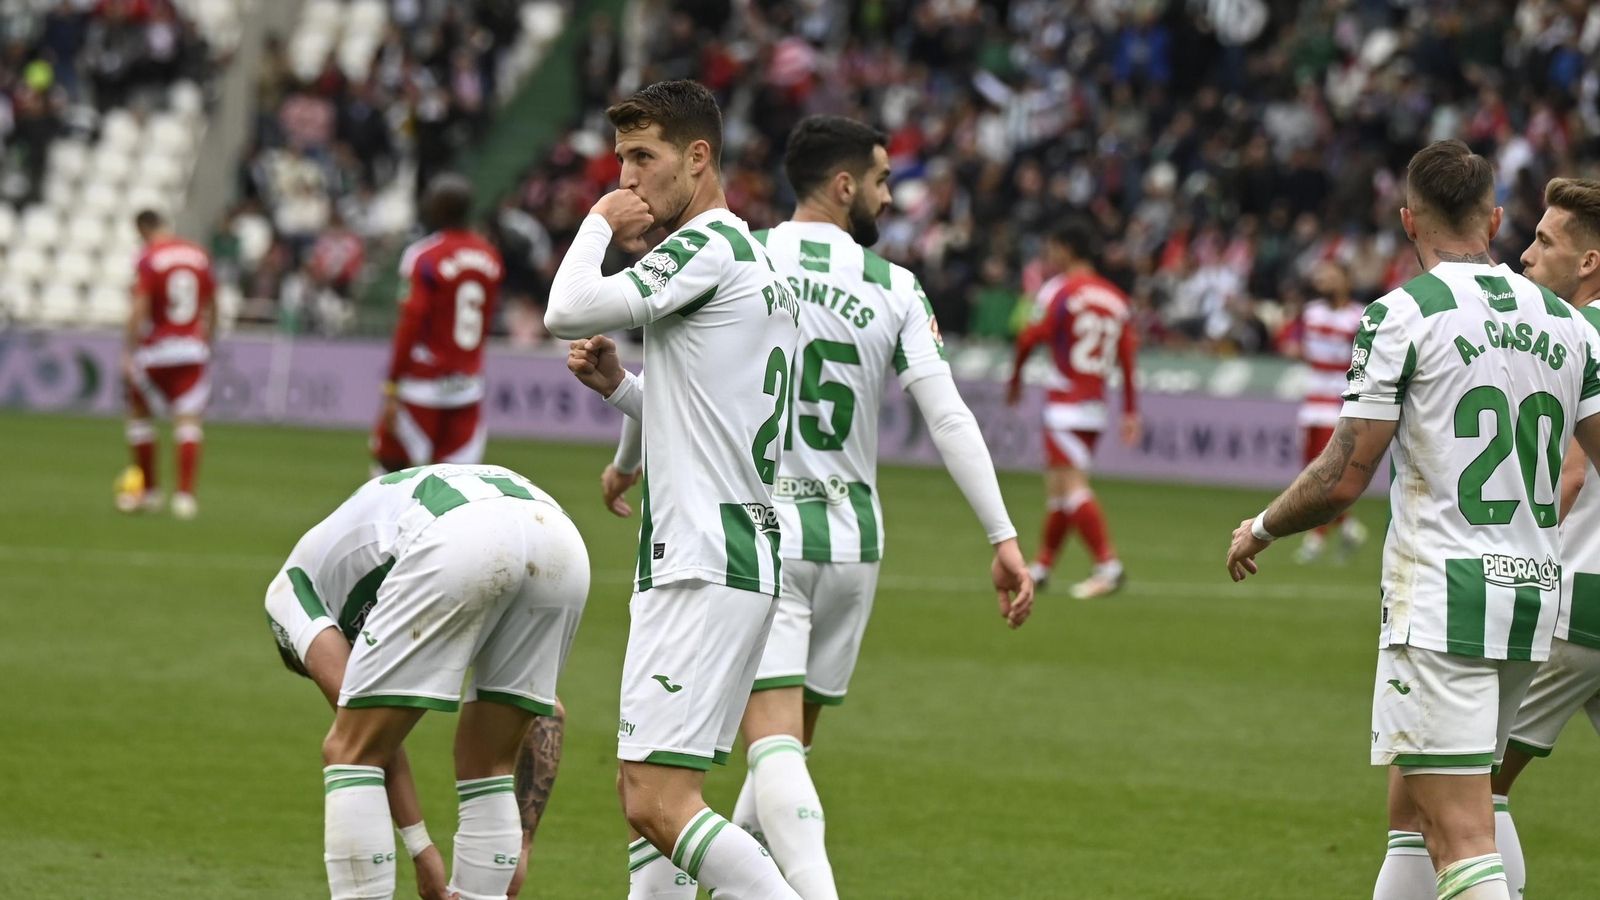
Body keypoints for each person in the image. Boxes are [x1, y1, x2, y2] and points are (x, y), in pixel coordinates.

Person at [598, 115, 1034, 899]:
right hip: (853, 545)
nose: (888, 194)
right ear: (844, 186)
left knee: (758, 753)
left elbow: (676, 378)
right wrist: (1001, 533)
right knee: (784, 752)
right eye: (880, 179)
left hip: (761, 534)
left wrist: (627, 461)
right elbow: (947, 417)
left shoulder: (743, 254)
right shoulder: (895, 287)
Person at [1224, 140, 1600, 900]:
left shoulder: (1401, 315)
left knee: (1461, 834)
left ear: (1408, 221)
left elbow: (1342, 478)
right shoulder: (1568, 324)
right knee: (1422, 810)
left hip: (1443, 602)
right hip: (1530, 598)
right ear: (1495, 219)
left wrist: (1261, 526)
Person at [543, 79, 803, 899]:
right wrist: (623, 390)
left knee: (660, 802)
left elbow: (566, 307)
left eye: (643, 158)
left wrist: (596, 226)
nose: (627, 180)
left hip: (705, 556)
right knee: (646, 802)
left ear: (698, 158)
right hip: (718, 553)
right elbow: (701, 414)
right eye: (621, 161)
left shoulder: (706, 246)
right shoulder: (750, 261)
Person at [265, 463, 588, 900]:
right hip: (558, 536)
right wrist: (521, 843)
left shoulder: (288, 594)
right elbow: (549, 711)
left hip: (457, 538)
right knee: (487, 762)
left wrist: (421, 849)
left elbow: (368, 745)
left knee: (351, 750)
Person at [1488, 176, 1600, 898]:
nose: (1527, 256)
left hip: (1579, 598)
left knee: (1469, 787)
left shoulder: (1579, 337)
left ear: (1588, 263)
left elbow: (1570, 473)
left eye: (1544, 241)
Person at [1006, 220, 1140, 598]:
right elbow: (1128, 359)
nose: (1049, 257)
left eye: (1053, 249)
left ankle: (1108, 565)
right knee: (1059, 492)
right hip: (1096, 405)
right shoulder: (1117, 298)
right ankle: (1042, 567)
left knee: (1073, 488)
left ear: (1066, 248)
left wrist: (1015, 379)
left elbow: (1031, 335)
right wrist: (1130, 410)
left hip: (1064, 403)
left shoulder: (1058, 290)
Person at [371, 174, 504, 474]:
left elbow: (411, 321)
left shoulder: (424, 256)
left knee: (388, 476)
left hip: (421, 384)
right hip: (467, 386)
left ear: (436, 208)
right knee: (456, 487)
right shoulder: (490, 256)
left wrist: (393, 382)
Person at [116, 208, 216, 520]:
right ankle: (185, 498)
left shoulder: (149, 257)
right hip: (191, 349)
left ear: (143, 229)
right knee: (188, 422)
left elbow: (141, 305)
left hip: (156, 351)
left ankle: (150, 492)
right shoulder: (198, 255)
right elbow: (213, 305)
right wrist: (207, 341)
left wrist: (129, 349)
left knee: (139, 417)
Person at [1281, 259, 1369, 563]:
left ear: (1346, 280)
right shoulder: (1311, 312)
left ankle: (1316, 538)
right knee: (1311, 473)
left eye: (1330, 276)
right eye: (1321, 275)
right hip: (1312, 400)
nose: (1323, 280)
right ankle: (1348, 527)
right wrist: (1293, 348)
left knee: (1322, 474)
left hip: (1338, 403)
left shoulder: (1359, 316)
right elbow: (1288, 339)